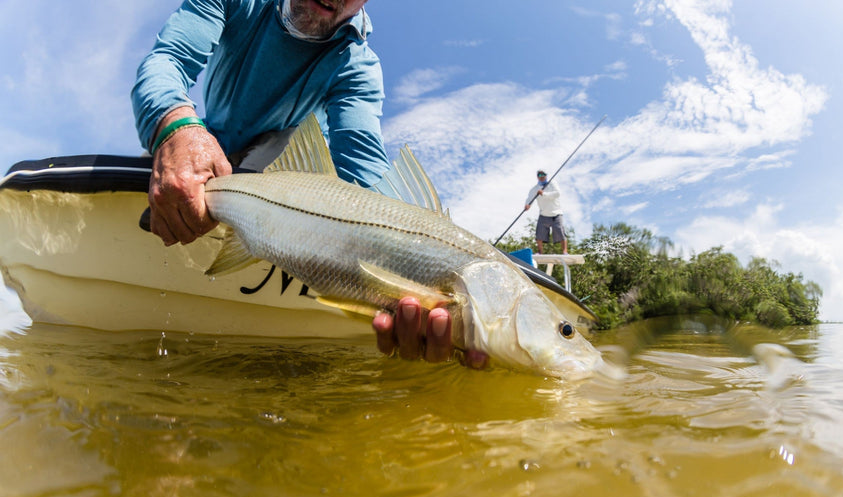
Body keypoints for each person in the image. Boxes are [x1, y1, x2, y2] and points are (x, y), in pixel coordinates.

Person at [132, 0, 486, 368]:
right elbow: (168, 59)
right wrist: (176, 126)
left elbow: (366, 180)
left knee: (287, 139)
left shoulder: (357, 65)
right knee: (157, 150)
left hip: (285, 174)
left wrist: (407, 277)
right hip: (199, 138)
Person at [523, 169, 568, 254]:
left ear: (546, 175)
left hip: (556, 213)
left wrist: (543, 194)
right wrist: (527, 205)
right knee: (539, 235)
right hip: (543, 214)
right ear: (537, 177)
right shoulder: (535, 189)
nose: (542, 177)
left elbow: (557, 194)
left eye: (543, 175)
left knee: (560, 232)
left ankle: (565, 251)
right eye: (539, 175)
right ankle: (540, 252)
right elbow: (529, 198)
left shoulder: (552, 183)